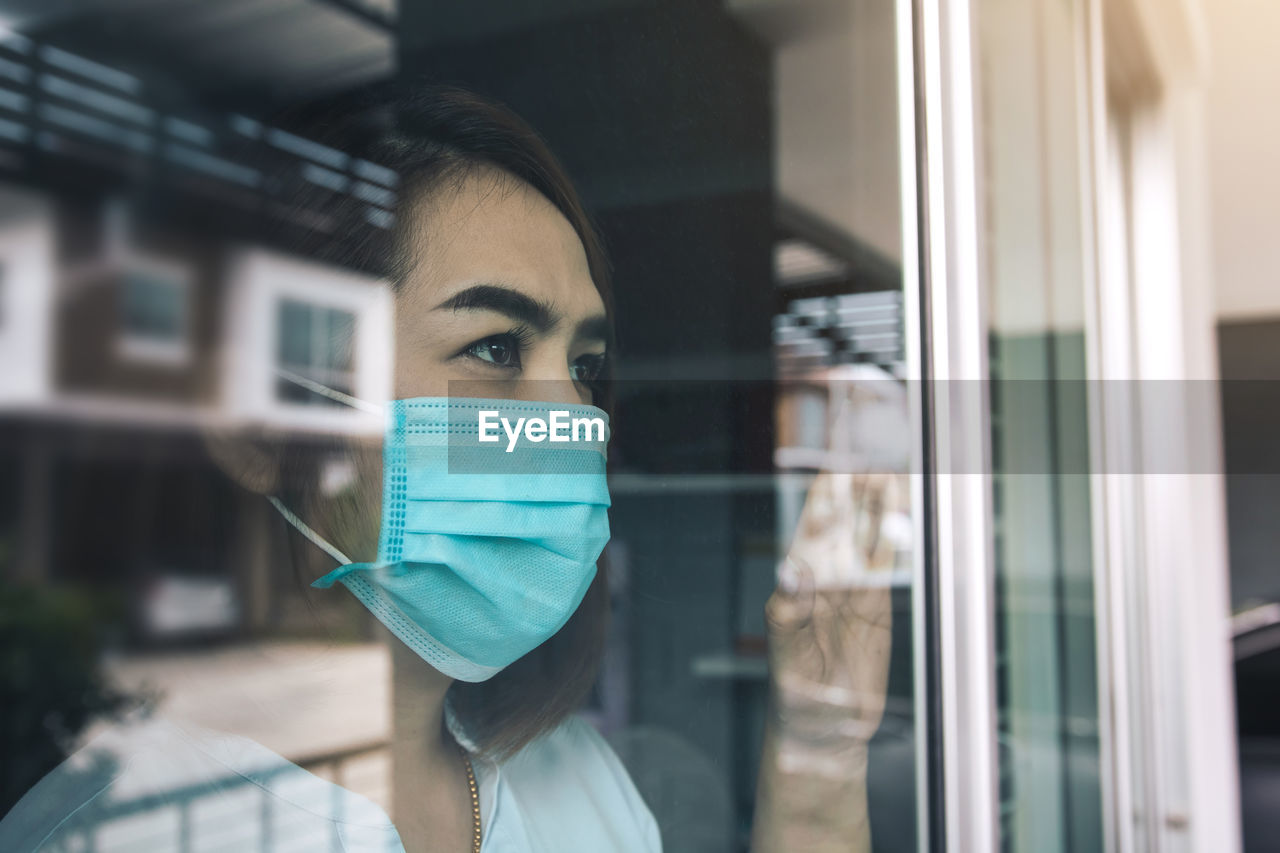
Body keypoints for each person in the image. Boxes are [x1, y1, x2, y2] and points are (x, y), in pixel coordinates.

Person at [0, 86, 892, 852]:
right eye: (496, 346)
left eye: (583, 366)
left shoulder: (581, 789)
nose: (573, 419)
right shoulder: (124, 829)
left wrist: (817, 762)